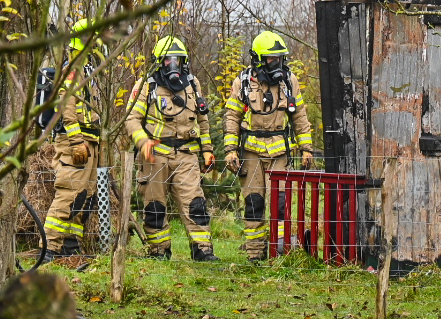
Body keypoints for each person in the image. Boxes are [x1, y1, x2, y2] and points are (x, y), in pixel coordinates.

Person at [123, 36, 217, 261]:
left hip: (186, 154)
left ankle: (202, 250)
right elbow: (131, 119)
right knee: (154, 207)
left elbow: (202, 121)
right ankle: (159, 251)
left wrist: (207, 149)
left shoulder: (193, 84)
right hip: (155, 155)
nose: (172, 65)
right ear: (159, 61)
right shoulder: (147, 84)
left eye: (177, 59)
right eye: (167, 60)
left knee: (196, 203)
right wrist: (143, 142)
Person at [223, 30, 313, 260]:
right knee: (254, 203)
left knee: (281, 204)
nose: (277, 63)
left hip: (280, 153)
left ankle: (279, 252)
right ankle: (255, 254)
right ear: (259, 59)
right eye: (272, 59)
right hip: (251, 153)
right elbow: (232, 117)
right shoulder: (242, 83)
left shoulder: (289, 81)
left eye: (280, 58)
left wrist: (307, 148)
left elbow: (299, 116)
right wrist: (231, 150)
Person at [41, 19, 103, 262]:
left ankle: (70, 246)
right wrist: (77, 140)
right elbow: (67, 107)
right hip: (74, 141)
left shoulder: (88, 70)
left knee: (84, 196)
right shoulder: (73, 70)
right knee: (68, 193)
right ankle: (49, 249)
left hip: (89, 141)